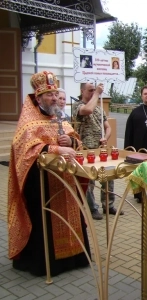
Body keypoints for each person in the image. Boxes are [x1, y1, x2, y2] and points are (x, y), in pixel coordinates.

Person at [8, 71, 90, 276]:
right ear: (38, 97)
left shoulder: (60, 119)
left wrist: (71, 142)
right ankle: (46, 264)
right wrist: (55, 149)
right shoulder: (28, 122)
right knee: (44, 221)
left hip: (66, 181)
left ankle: (74, 259)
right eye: (49, 95)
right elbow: (25, 151)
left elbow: (78, 143)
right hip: (41, 183)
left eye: (55, 94)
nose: (54, 98)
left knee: (71, 216)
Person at [73, 82, 124, 219]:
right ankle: (92, 208)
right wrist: (97, 93)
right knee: (89, 181)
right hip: (85, 150)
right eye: (90, 90)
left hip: (100, 150)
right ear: (82, 91)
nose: (93, 93)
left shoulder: (99, 109)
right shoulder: (77, 106)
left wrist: (105, 138)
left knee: (108, 177)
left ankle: (108, 205)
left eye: (94, 91)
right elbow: (86, 111)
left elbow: (107, 127)